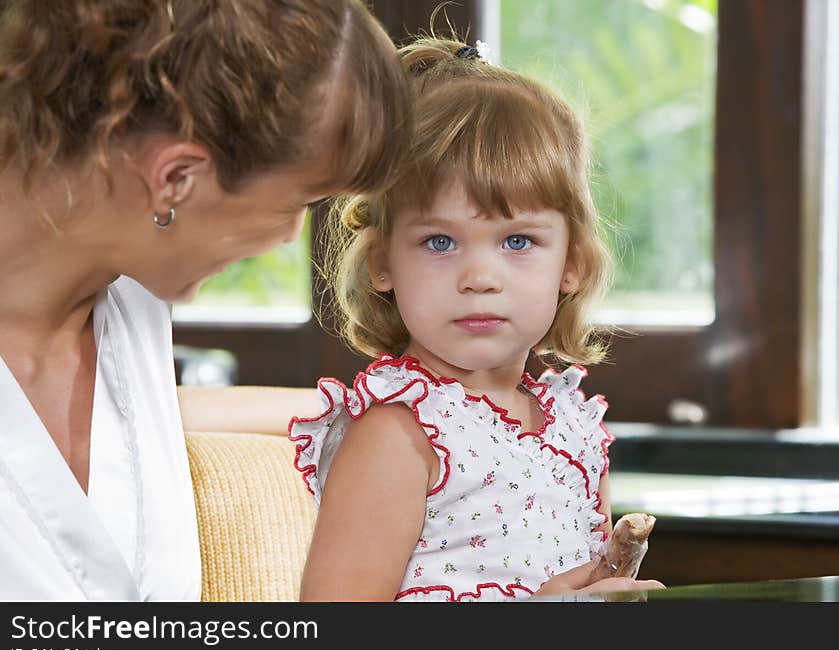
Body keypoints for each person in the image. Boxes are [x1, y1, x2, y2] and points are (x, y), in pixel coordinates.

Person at [0, 0, 410, 601]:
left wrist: (414, 419)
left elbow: (160, 416)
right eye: (296, 202)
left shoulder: (130, 301)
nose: (291, 236)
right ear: (175, 179)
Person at [289, 36, 665, 601]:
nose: (480, 277)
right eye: (440, 241)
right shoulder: (399, 434)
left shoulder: (575, 429)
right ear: (382, 263)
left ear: (572, 264)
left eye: (517, 240)